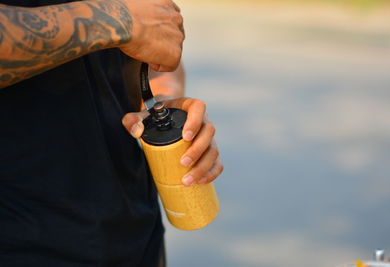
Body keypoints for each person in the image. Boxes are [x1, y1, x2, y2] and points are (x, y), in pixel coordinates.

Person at [0, 0, 223, 266]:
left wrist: (163, 105)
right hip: (22, 243)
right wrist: (120, 21)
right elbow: (135, 23)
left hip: (136, 233)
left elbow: (151, 36)